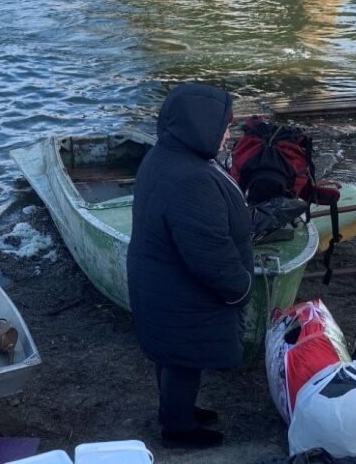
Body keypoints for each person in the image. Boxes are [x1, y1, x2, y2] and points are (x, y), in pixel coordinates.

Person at [126, 82, 252, 450]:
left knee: (170, 355)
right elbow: (208, 253)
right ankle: (178, 429)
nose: (228, 134)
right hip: (182, 291)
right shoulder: (192, 180)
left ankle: (176, 412)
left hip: (160, 282)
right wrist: (240, 287)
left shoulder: (166, 155)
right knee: (184, 359)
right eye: (224, 126)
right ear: (198, 125)